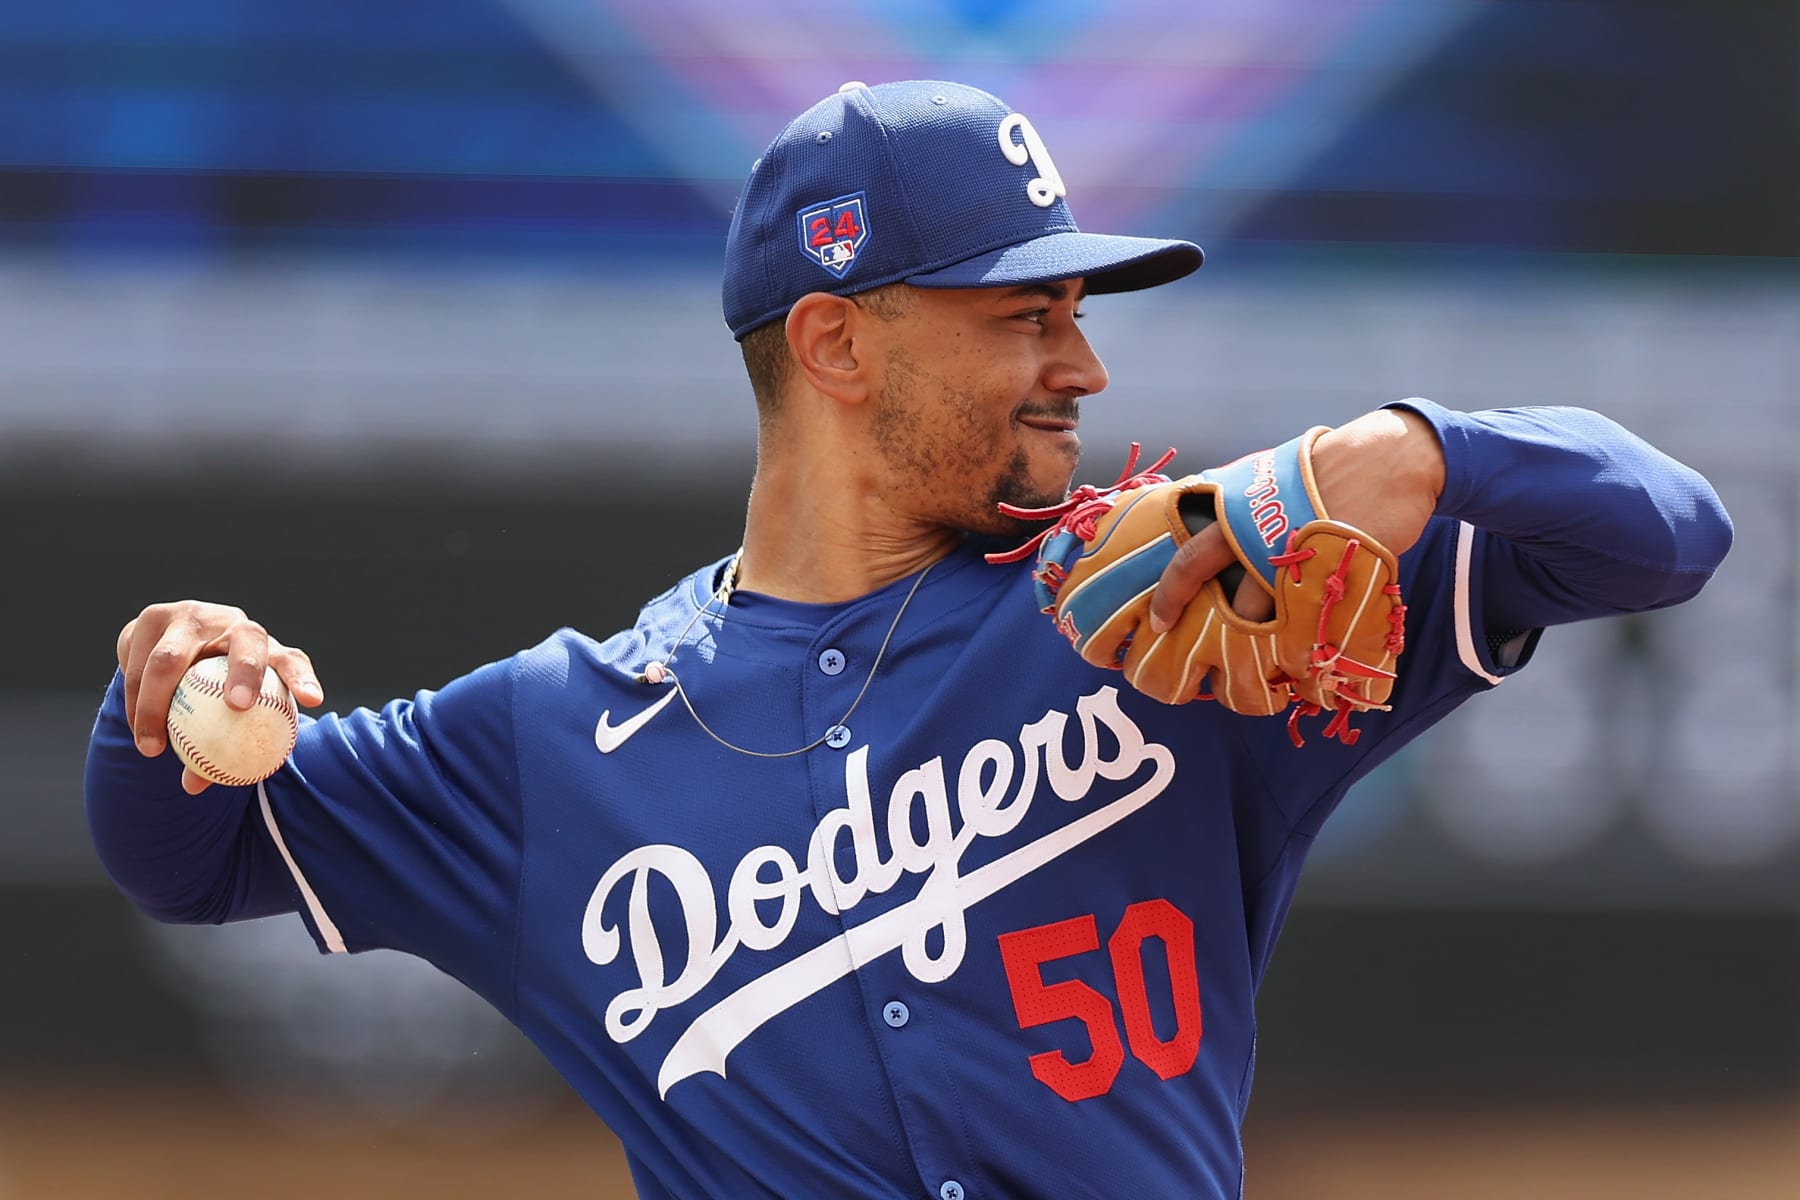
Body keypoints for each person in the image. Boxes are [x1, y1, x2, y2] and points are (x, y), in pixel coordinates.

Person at [86, 81, 1731, 1200]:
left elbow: (1666, 530)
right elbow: (187, 852)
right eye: (1025, 315)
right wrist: (157, 692)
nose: (1081, 366)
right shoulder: (550, 741)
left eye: (1080, 315)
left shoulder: (1165, 602)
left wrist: (1412, 446)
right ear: (837, 344)